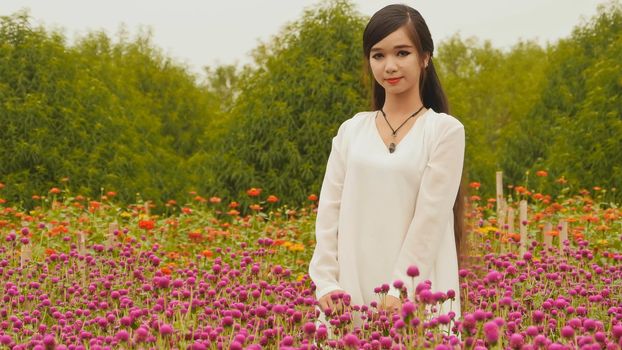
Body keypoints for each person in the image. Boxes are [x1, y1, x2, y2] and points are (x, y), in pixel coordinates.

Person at [308, 3, 465, 326]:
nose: (389, 66)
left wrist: (400, 289)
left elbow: (430, 219)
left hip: (417, 290)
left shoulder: (443, 131)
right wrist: (326, 281)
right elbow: (329, 212)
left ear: (425, 57)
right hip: (348, 290)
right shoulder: (352, 130)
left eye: (402, 53)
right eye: (378, 55)